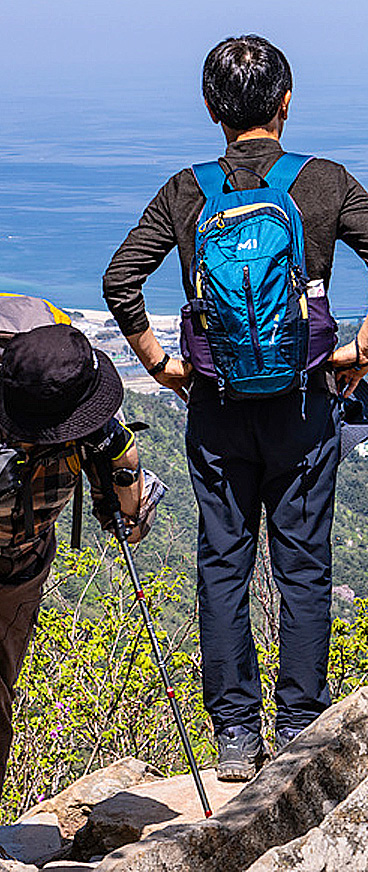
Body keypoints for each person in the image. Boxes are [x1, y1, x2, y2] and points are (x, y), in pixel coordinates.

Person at [103, 35, 368, 779]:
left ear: (210, 108)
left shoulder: (188, 190)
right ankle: (305, 726)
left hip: (215, 407)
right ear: (286, 100)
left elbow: (122, 281)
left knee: (224, 564)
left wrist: (164, 366)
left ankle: (237, 738)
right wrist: (360, 352)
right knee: (304, 568)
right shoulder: (324, 183)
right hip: (303, 405)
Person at [0, 323, 158, 794]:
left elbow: (133, 522)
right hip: (23, 563)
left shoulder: (94, 428)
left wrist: (122, 468)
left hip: (21, 568)